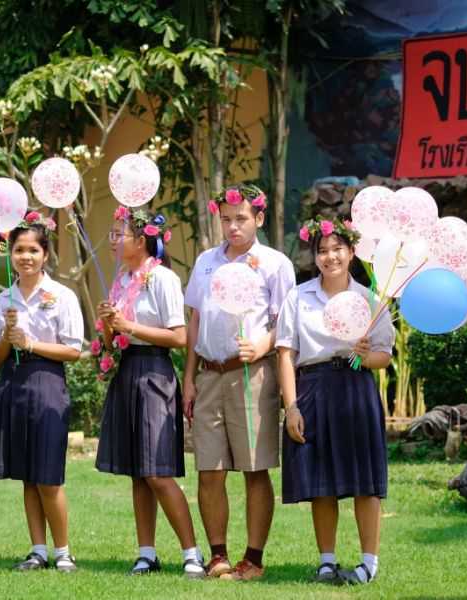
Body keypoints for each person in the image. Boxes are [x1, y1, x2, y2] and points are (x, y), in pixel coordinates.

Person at [181, 184, 295, 581]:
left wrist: (262, 344)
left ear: (259, 219)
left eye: (241, 219)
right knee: (209, 469)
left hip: (253, 374)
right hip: (209, 374)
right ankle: (217, 556)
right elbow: (195, 320)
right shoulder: (205, 262)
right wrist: (189, 377)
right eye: (226, 219)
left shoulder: (275, 264)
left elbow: (286, 322)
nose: (232, 227)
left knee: (254, 468)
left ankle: (254, 558)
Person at [276, 218, 393, 585]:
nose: (330, 257)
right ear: (315, 256)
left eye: (337, 249)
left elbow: (383, 356)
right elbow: (286, 354)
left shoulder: (369, 299)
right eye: (323, 251)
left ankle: (369, 563)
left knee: (365, 479)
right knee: (321, 480)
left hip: (356, 387)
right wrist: (291, 407)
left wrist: (364, 356)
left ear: (352, 252)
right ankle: (326, 561)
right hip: (312, 387)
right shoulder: (299, 297)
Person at [95, 207, 205, 579]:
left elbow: (179, 337)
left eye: (118, 234)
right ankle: (146, 553)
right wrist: (109, 326)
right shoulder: (122, 279)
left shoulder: (162, 278)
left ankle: (192, 553)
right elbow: (112, 341)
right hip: (128, 370)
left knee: (157, 471)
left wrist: (129, 325)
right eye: (112, 234)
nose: (112, 241)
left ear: (141, 240)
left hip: (155, 373)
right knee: (138, 473)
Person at [0, 212, 82, 573]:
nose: (25, 257)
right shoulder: (3, 300)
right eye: (19, 250)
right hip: (14, 384)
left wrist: (30, 343)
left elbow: (73, 350)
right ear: (10, 253)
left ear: (45, 255)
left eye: (33, 250)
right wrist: (8, 337)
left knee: (48, 474)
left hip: (48, 383)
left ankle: (63, 552)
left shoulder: (61, 296)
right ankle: (38, 550)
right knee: (27, 473)